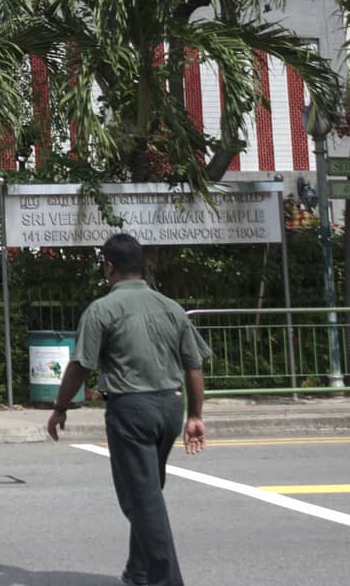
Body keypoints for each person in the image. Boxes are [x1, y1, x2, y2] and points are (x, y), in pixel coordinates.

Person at [47, 233, 209, 586]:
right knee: (148, 491)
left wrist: (60, 407)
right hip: (170, 407)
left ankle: (167, 580)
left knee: (141, 500)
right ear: (142, 266)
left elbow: (80, 366)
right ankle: (138, 571)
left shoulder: (102, 309)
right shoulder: (171, 307)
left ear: (109, 267)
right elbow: (193, 365)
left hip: (130, 410)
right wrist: (195, 416)